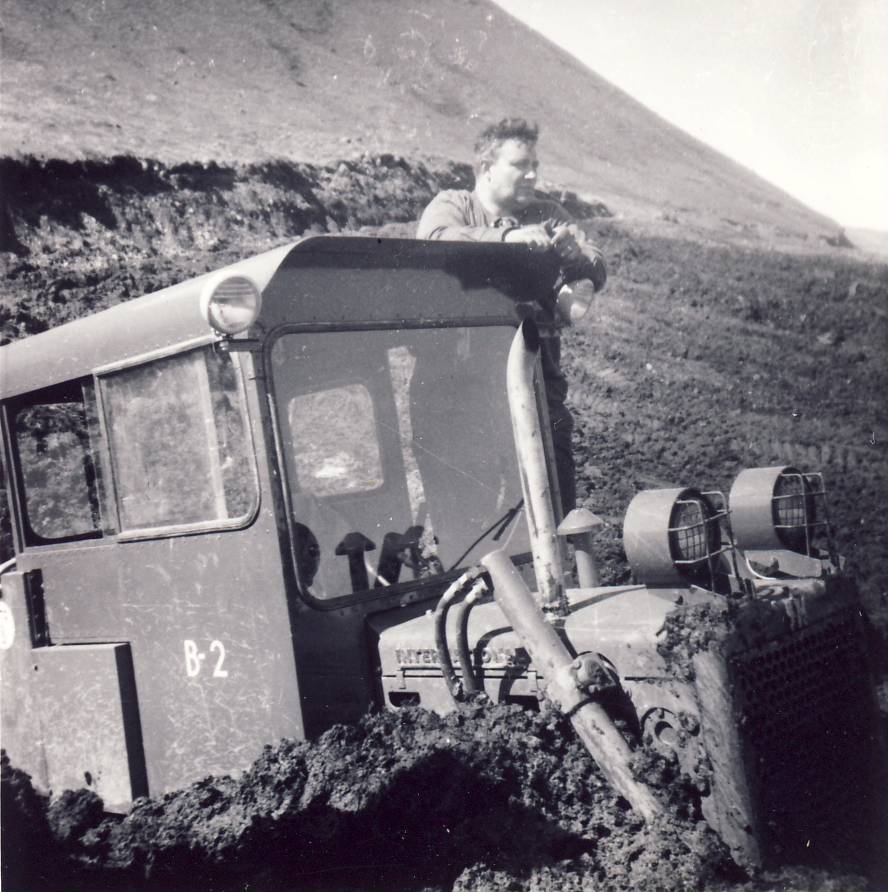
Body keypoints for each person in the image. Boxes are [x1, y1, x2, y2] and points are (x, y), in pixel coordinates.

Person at [416, 117, 606, 515]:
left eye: (535, 165)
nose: (532, 174)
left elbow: (594, 259)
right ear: (487, 167)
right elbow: (435, 238)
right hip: (462, 400)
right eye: (520, 165)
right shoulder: (454, 205)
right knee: (470, 521)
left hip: (538, 393)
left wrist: (576, 257)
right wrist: (506, 238)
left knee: (555, 513)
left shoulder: (547, 212)